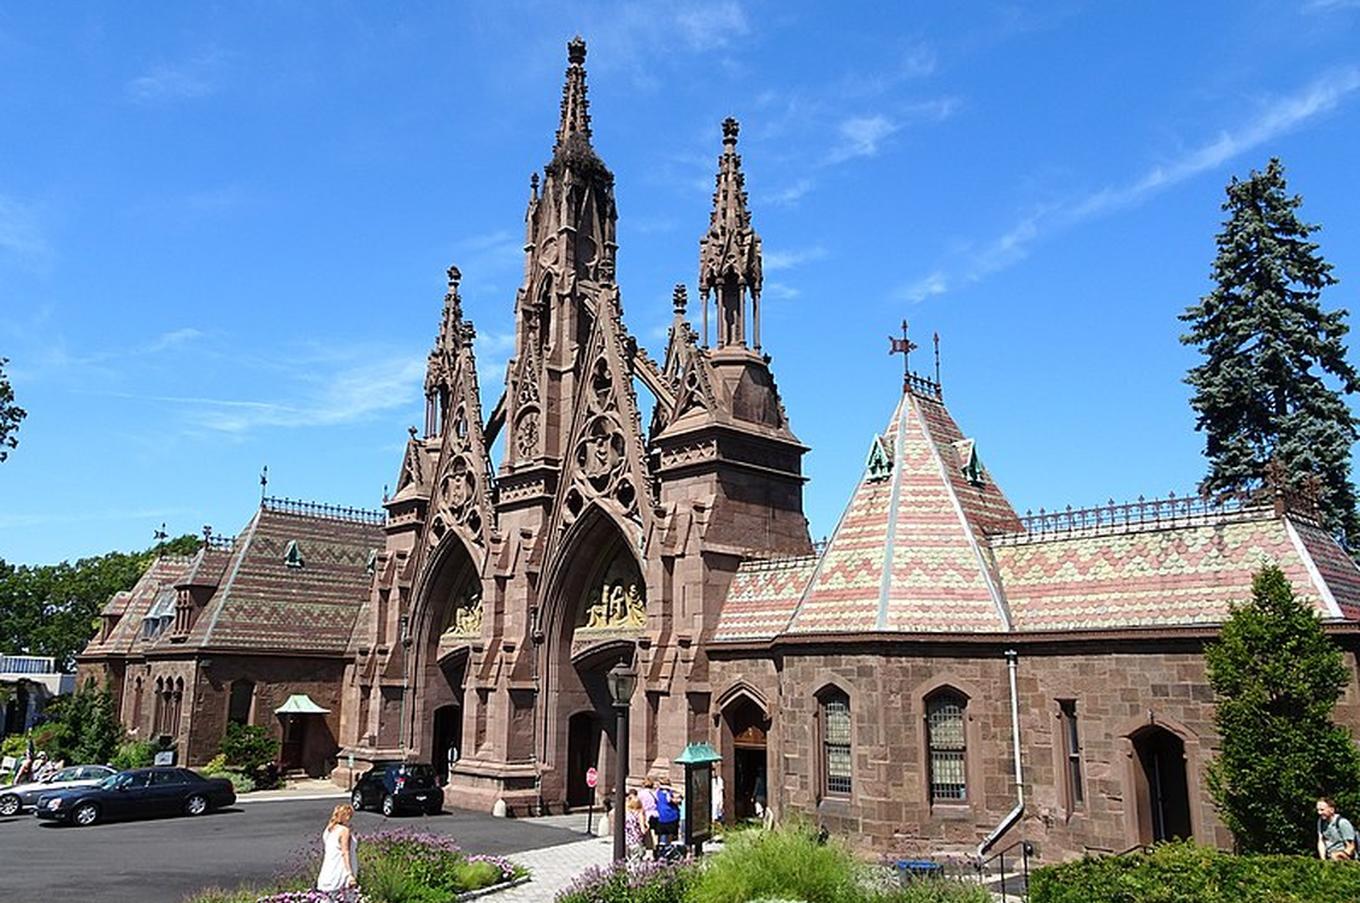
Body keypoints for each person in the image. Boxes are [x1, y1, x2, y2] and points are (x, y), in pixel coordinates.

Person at [317, 803, 359, 892]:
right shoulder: (344, 831)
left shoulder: (329, 830)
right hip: (340, 869)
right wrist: (349, 874)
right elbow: (345, 852)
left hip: (328, 869)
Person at [655, 780, 681, 852]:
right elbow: (678, 796)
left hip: (662, 817)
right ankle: (667, 850)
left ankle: (663, 850)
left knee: (663, 836)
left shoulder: (657, 792)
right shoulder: (668, 794)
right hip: (670, 817)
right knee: (669, 835)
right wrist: (670, 788)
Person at [624, 794, 648, 862]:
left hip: (626, 840)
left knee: (628, 860)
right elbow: (643, 830)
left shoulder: (626, 813)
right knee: (636, 860)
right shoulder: (639, 814)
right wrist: (647, 828)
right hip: (636, 840)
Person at [638, 777, 659, 842]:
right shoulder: (655, 793)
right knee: (655, 833)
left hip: (646, 814)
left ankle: (648, 846)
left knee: (646, 832)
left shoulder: (640, 793)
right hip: (655, 814)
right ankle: (655, 847)